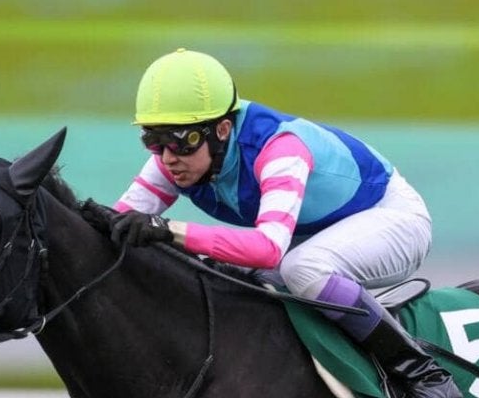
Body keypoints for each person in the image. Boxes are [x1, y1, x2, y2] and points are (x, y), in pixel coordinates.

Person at [109, 48, 461, 398]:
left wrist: (168, 230)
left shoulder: (280, 148)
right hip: (317, 233)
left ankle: (425, 375)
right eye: (154, 140)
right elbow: (118, 221)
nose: (168, 157)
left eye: (180, 141)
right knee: (229, 275)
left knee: (303, 269)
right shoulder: (178, 158)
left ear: (223, 129)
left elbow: (268, 249)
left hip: (393, 219)